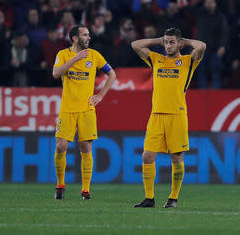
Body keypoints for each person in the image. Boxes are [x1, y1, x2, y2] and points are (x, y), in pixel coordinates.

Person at [131, 28, 205, 208]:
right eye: (166, 42)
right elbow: (135, 45)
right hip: (156, 114)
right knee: (147, 156)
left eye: (172, 42)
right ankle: (149, 198)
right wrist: (159, 39)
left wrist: (183, 41)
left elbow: (201, 46)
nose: (168, 45)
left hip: (177, 115)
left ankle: (173, 198)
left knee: (177, 157)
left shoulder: (188, 62)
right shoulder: (157, 59)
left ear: (179, 43)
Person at [53, 25, 116, 200]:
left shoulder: (94, 55)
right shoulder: (63, 54)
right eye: (85, 35)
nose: (89, 37)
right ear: (75, 38)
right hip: (67, 108)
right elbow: (56, 73)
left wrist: (101, 95)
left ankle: (85, 190)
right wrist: (75, 59)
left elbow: (112, 74)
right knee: (61, 146)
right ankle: (60, 185)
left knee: (86, 147)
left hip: (87, 109)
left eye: (89, 34)